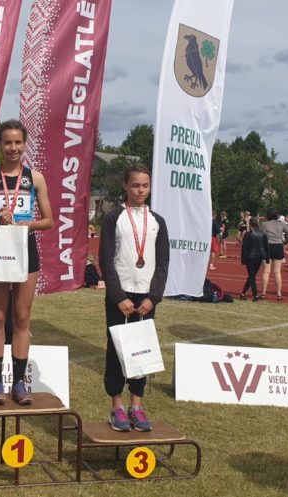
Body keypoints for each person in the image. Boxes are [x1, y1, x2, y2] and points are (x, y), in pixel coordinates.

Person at [0, 120, 53, 406]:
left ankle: (19, 382)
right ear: (0, 144)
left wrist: (27, 224)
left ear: (24, 144)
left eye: (18, 142)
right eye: (8, 142)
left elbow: (49, 220)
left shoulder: (36, 178)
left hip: (25, 248)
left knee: (21, 317)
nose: (13, 148)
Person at [99, 164, 169, 432]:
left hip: (146, 298)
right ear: (126, 187)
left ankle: (136, 406)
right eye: (135, 185)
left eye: (145, 186)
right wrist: (117, 296)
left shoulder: (157, 221)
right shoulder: (113, 218)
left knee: (142, 349)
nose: (140, 190)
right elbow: (106, 259)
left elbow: (162, 263)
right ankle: (117, 405)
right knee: (116, 349)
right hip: (120, 295)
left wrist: (154, 297)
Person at [260, 210, 288, 300]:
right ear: (277, 216)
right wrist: (286, 246)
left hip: (267, 247)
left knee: (266, 271)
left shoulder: (264, 224)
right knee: (277, 271)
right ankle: (279, 294)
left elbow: (260, 235)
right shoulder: (281, 224)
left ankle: (263, 293)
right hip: (278, 246)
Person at [239, 218, 268, 302]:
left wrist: (243, 259)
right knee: (252, 275)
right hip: (259, 257)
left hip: (250, 258)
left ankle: (255, 295)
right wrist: (267, 258)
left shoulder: (248, 234)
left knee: (252, 276)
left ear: (250, 224)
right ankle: (243, 293)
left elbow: (245, 248)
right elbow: (266, 247)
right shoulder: (263, 234)